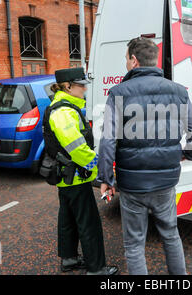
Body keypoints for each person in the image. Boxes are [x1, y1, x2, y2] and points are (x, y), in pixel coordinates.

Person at [97, 37, 192, 275]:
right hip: (166, 183)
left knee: (134, 245)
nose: (126, 63)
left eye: (126, 58)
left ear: (134, 60)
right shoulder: (178, 91)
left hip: (132, 184)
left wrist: (105, 178)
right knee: (171, 235)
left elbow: (107, 141)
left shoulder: (118, 93)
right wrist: (187, 154)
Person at [44, 67, 118, 275]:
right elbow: (76, 148)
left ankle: (69, 259)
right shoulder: (64, 111)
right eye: (81, 85)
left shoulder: (62, 107)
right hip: (75, 177)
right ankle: (96, 268)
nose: (85, 89)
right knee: (89, 223)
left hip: (66, 176)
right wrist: (98, 169)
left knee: (68, 218)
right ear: (68, 86)